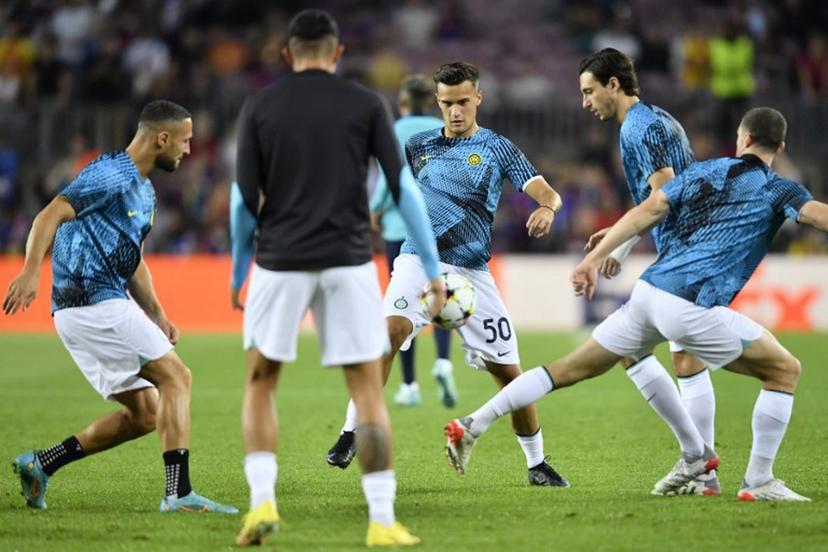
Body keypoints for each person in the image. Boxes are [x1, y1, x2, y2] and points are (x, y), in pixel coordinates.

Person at [445, 107, 819, 502]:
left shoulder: (704, 171)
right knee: (784, 370)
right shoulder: (780, 188)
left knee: (565, 369)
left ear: (743, 139)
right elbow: (816, 216)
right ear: (780, 147)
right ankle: (757, 480)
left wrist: (594, 257)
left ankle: (471, 424)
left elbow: (649, 210)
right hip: (690, 304)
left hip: (649, 293)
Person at [230, 9, 443, 548]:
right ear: (338, 53)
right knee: (366, 388)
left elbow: (243, 200)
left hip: (279, 259)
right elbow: (403, 189)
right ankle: (382, 520)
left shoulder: (259, 107)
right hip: (348, 260)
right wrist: (433, 268)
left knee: (261, 382)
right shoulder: (366, 104)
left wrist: (238, 269)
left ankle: (261, 504)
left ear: (287, 55)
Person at [329, 61, 569, 488]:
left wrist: (548, 208)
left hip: (472, 272)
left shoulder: (497, 147)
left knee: (510, 376)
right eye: (446, 103)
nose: (455, 111)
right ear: (437, 102)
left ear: (478, 98)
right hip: (418, 260)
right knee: (388, 334)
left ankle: (536, 464)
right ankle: (351, 431)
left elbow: (544, 190)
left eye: (462, 102)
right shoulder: (417, 146)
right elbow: (391, 185)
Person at [4, 100, 237, 514]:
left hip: (95, 305)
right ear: (162, 138)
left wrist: (158, 314)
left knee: (146, 414)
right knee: (177, 378)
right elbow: (49, 215)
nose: (188, 150)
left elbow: (134, 260)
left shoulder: (144, 190)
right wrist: (30, 272)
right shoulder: (111, 173)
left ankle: (41, 464)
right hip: (93, 302)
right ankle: (178, 493)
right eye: (184, 141)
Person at [578, 47, 719, 495]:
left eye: (589, 91)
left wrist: (616, 243)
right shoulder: (655, 119)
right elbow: (660, 197)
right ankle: (704, 473)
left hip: (687, 252)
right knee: (685, 360)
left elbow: (664, 196)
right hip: (688, 248)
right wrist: (624, 240)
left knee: (633, 349)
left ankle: (700, 463)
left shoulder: (639, 128)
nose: (585, 102)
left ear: (613, 84)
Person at [369, 73, 454, 408]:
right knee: (440, 293)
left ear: (402, 102)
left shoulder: (393, 131)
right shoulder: (442, 130)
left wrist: (375, 209)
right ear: (432, 102)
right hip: (435, 226)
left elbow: (388, 178)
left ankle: (409, 384)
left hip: (397, 227)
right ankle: (443, 361)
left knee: (401, 306)